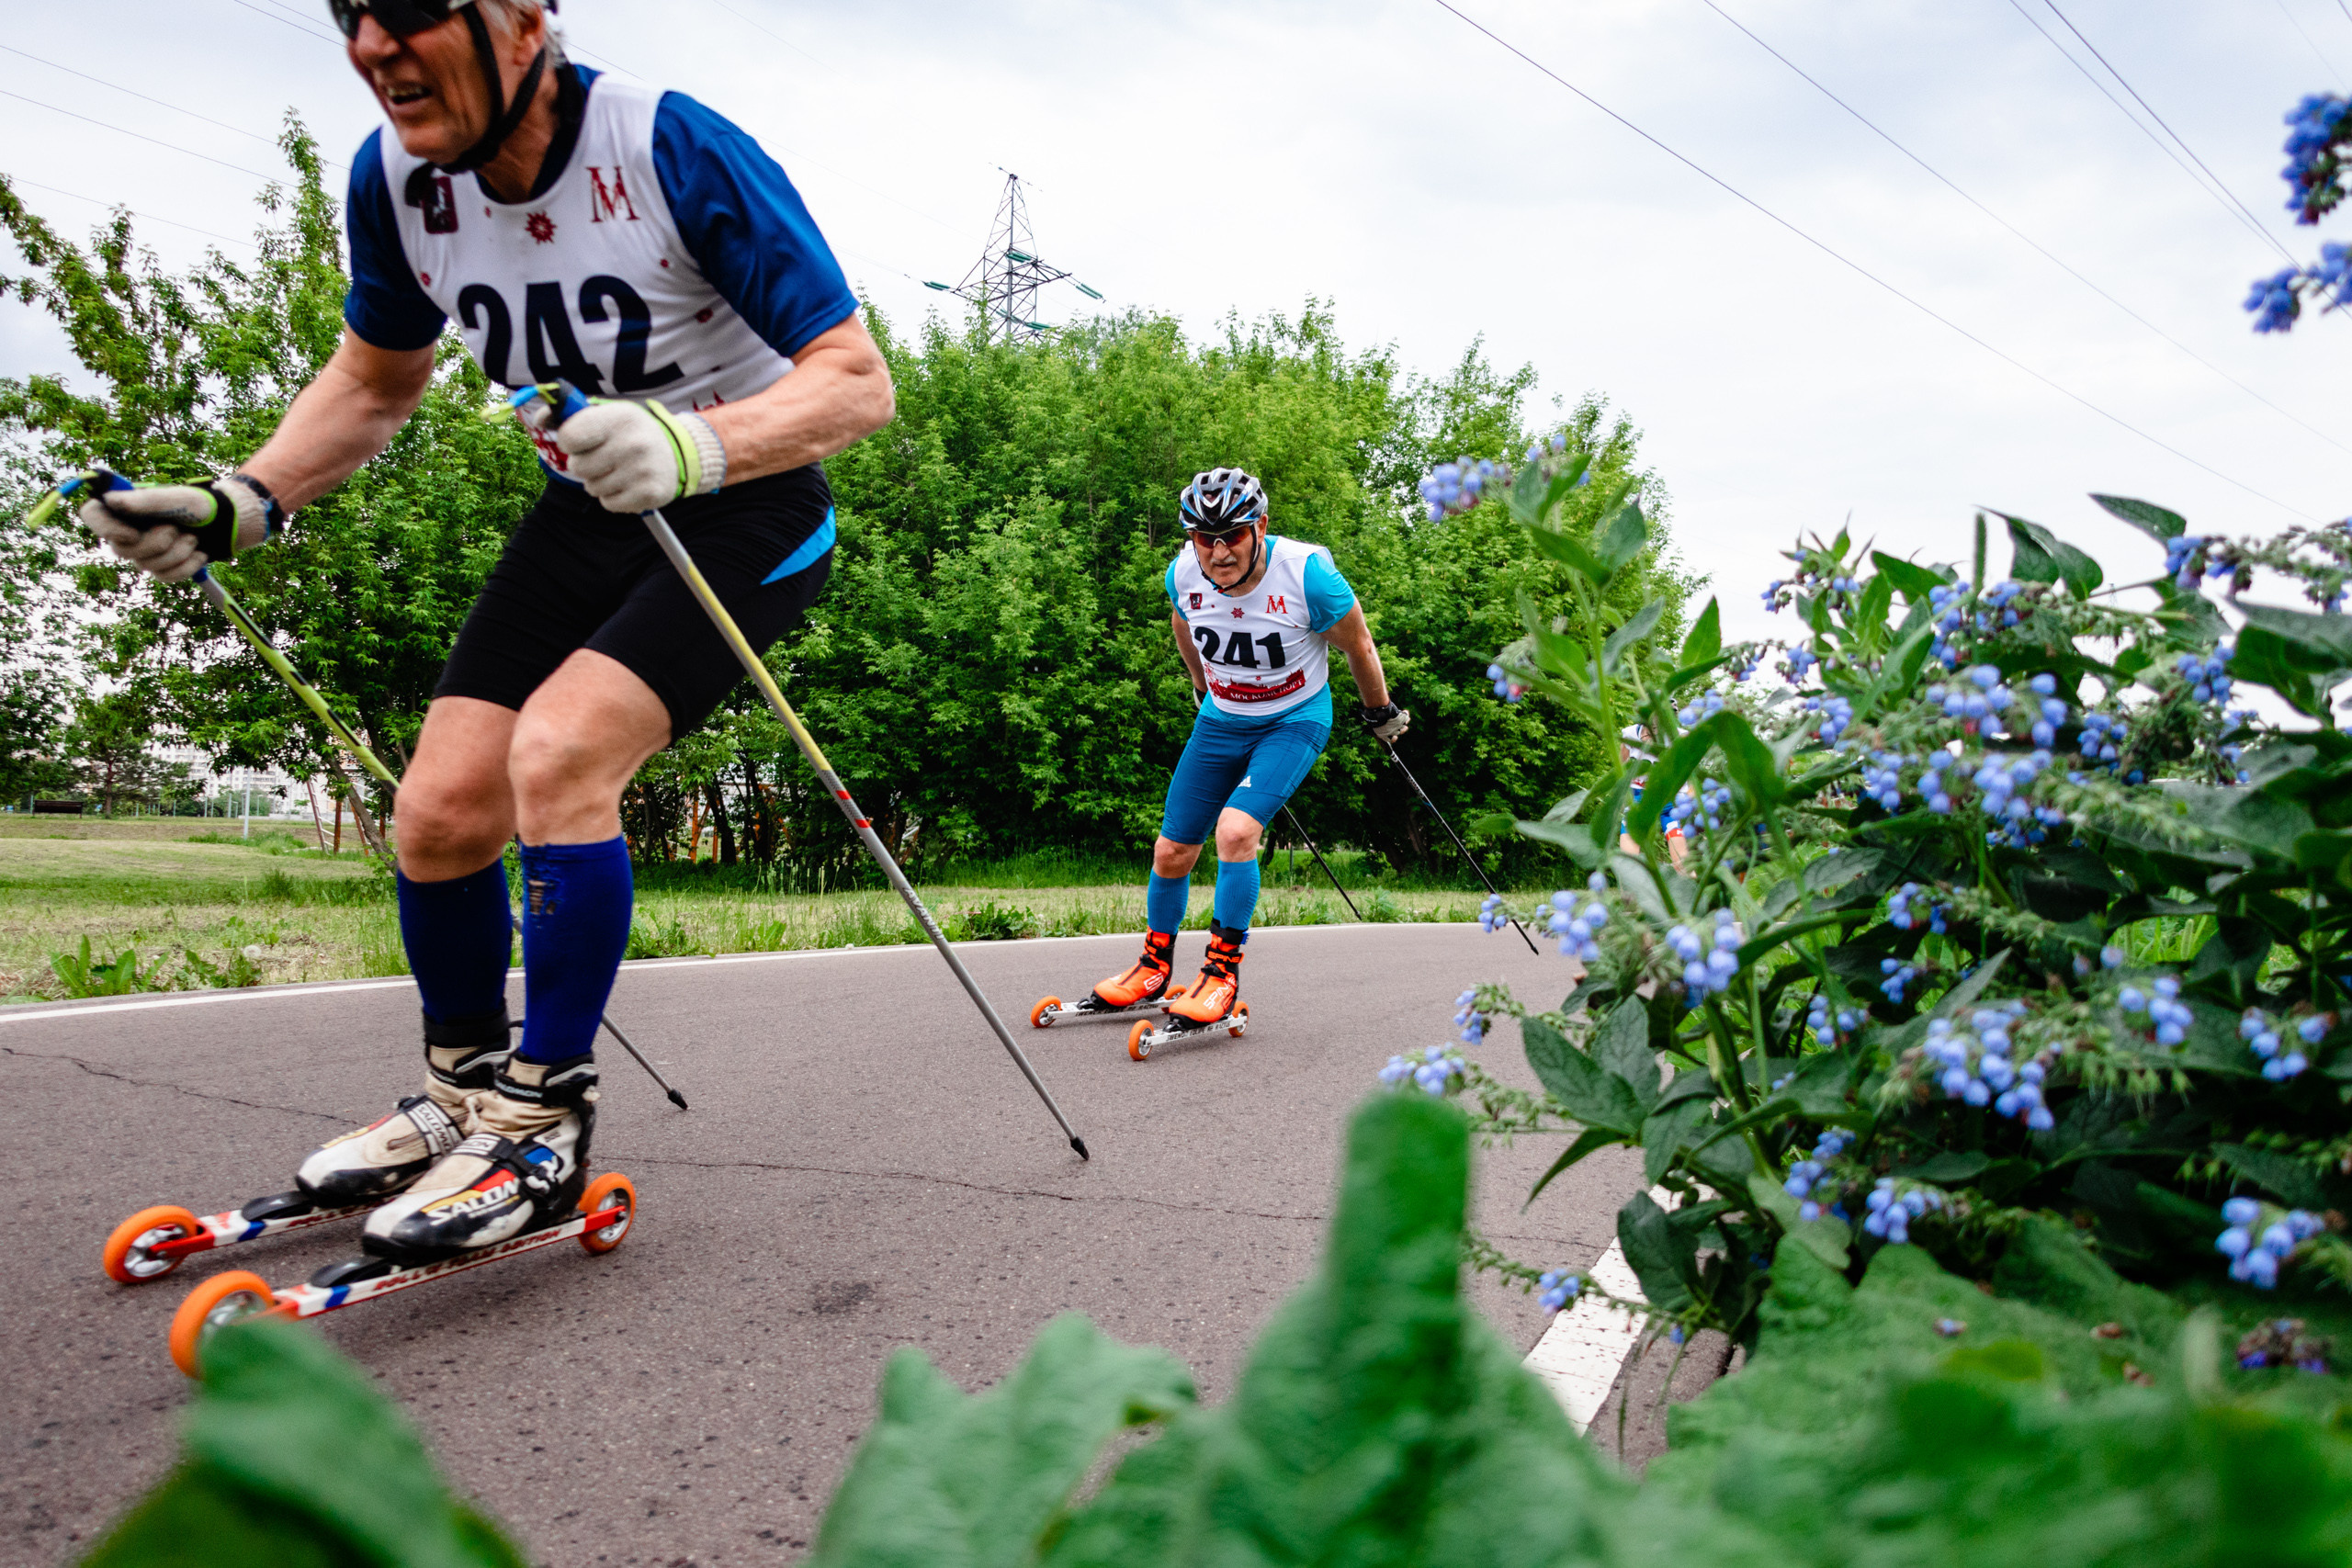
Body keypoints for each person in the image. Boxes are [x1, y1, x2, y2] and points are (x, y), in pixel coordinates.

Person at [78, 0, 892, 1262]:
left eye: (408, 10)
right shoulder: (397, 184)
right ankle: (462, 1092)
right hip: (583, 511)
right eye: (350, 15)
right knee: (441, 806)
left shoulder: (671, 145)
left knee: (560, 753)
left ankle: (544, 1118)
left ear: (522, 19)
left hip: (744, 502)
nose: (373, 48)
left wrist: (694, 440)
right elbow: (372, 377)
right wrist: (248, 497)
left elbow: (855, 378)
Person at [1090, 468, 1408, 1023]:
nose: (1218, 551)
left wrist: (1378, 710)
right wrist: (1199, 684)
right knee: (1171, 849)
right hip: (1222, 719)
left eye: (1232, 534)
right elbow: (1183, 623)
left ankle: (1221, 973)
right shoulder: (1182, 573)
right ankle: (1154, 965)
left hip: (1293, 720)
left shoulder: (1307, 575)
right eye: (1203, 537)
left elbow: (1359, 644)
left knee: (1235, 832)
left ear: (1259, 525)